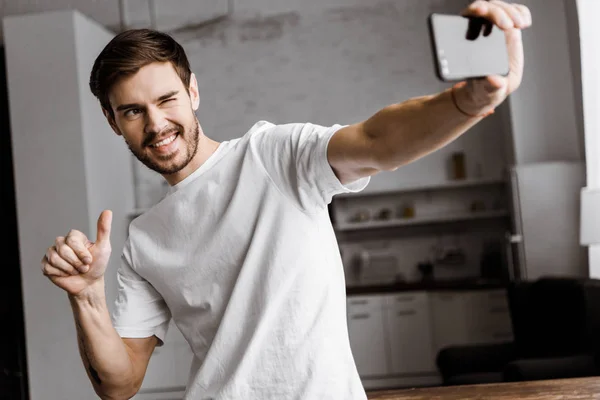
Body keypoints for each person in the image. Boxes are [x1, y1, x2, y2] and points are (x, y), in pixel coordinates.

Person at [40, 1, 531, 399]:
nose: (155, 125)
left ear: (192, 92)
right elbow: (120, 383)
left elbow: (380, 140)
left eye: (166, 99)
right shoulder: (141, 239)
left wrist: (469, 101)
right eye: (132, 111)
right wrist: (86, 296)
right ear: (113, 121)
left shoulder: (271, 155)